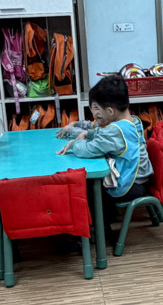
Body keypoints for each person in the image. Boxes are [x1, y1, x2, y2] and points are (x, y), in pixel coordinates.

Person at [58, 74, 152, 232]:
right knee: (95, 184)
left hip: (130, 185)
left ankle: (100, 229)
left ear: (110, 111)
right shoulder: (132, 121)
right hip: (140, 179)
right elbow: (100, 132)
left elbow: (90, 149)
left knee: (91, 187)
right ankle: (102, 222)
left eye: (96, 108)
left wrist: (74, 144)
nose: (95, 113)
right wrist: (83, 132)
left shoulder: (116, 130)